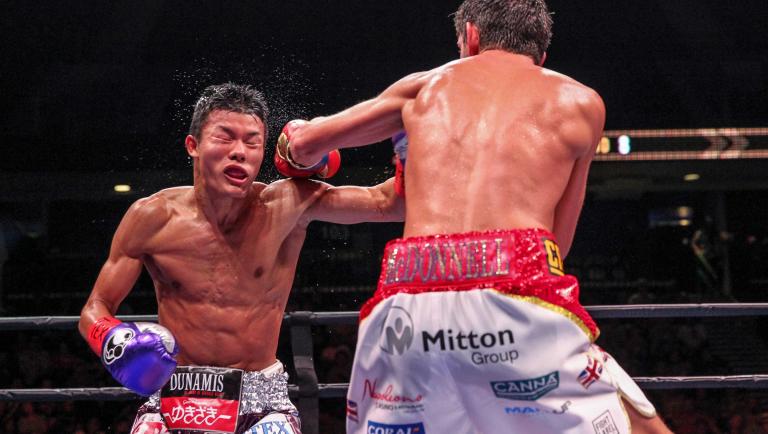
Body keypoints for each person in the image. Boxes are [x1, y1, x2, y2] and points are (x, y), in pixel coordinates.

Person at [279, 0, 673, 432]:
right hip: (516, 289)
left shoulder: (424, 88)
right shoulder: (582, 103)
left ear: (470, 36)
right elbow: (559, 242)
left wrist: (301, 156)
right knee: (640, 423)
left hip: (409, 297)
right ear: (541, 54)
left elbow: (303, 145)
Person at [78, 83, 403, 434]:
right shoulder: (152, 218)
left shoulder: (286, 205)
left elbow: (389, 203)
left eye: (252, 142)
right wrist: (112, 338)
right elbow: (95, 307)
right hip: (174, 397)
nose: (239, 152)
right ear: (193, 146)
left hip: (262, 402)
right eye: (225, 138)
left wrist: (408, 144)